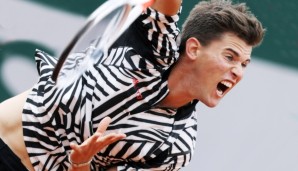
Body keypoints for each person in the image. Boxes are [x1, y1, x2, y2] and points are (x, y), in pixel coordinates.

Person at [0, 0, 265, 170]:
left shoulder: (176, 146)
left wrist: (82, 161)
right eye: (230, 57)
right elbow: (168, 6)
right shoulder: (152, 48)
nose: (237, 72)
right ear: (194, 48)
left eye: (244, 64)